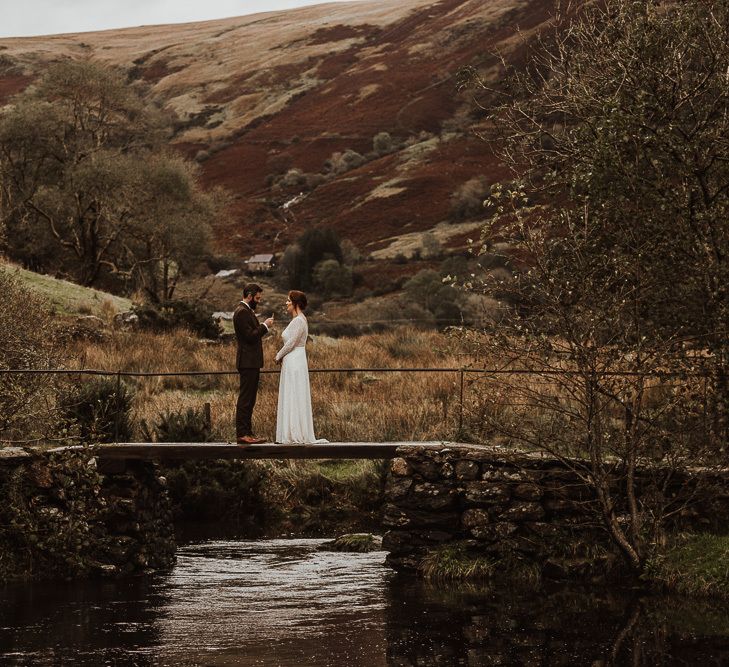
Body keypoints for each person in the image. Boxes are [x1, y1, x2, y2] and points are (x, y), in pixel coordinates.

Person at [274, 290, 327, 444]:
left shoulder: (298, 321)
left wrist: (278, 355)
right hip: (295, 359)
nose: (286, 303)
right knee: (293, 393)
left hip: (295, 359)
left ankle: (294, 432)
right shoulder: (300, 319)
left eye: (288, 300)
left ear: (295, 303)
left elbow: (291, 342)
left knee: (294, 392)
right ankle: (292, 430)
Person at [234, 283, 273, 445]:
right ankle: (243, 434)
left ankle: (248, 433)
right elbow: (250, 336)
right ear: (249, 296)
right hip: (247, 361)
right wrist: (265, 326)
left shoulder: (246, 311)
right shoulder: (242, 312)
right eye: (257, 298)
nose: (258, 301)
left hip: (251, 361)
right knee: (246, 399)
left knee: (250, 399)